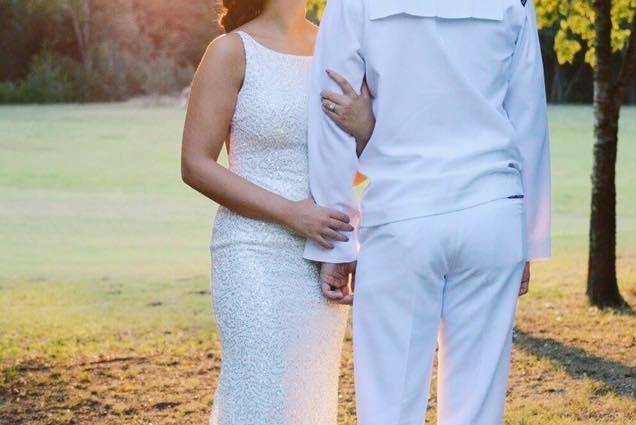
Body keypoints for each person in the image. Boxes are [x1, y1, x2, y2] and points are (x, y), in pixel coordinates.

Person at [305, 0, 552, 424]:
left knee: (390, 404)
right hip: (492, 213)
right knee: (476, 406)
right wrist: (528, 239)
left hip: (403, 213)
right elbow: (529, 119)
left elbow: (331, 109)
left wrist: (337, 241)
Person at [180, 0, 375, 423]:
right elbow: (195, 164)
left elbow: (355, 170)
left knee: (307, 400)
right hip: (252, 252)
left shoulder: (340, 48)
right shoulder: (231, 51)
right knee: (261, 394)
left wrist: (365, 129)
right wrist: (291, 214)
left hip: (320, 255)